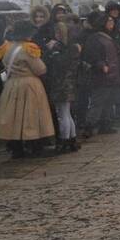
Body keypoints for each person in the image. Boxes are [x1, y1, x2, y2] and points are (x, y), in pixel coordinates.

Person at [0, 21, 55, 158]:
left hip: (11, 85)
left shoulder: (6, 47)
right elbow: (40, 69)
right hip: (30, 85)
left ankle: (16, 148)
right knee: (31, 116)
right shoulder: (29, 48)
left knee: (13, 117)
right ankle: (35, 146)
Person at [82, 12, 120, 136]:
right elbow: (91, 56)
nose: (112, 23)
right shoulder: (95, 38)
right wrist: (101, 65)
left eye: (112, 21)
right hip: (101, 75)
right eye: (109, 21)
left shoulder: (110, 36)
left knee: (108, 101)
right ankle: (89, 126)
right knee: (98, 102)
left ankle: (105, 125)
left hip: (112, 75)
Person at [43, 20, 82, 152]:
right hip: (69, 84)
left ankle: (65, 141)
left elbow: (60, 64)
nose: (56, 34)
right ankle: (72, 139)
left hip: (62, 84)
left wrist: (52, 50)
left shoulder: (63, 48)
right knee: (66, 113)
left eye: (59, 32)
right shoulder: (73, 47)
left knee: (63, 114)